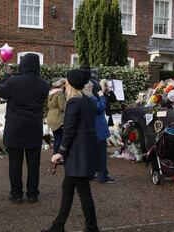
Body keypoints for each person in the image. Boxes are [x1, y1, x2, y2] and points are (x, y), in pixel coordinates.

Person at [43, 69, 101, 232]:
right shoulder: (89, 100)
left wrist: (60, 151)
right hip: (86, 148)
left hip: (77, 152)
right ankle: (58, 225)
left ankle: (92, 227)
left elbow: (69, 130)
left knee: (83, 191)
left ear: (71, 83)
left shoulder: (73, 102)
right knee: (67, 187)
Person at [0, 53, 49, 204]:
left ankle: (16, 194)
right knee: (33, 165)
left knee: (15, 164)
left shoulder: (13, 82)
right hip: (33, 128)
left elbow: (0, 90)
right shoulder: (43, 83)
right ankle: (32, 194)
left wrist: (7, 75)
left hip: (15, 128)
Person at [84, 80, 115, 184]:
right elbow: (101, 107)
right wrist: (101, 96)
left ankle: (90, 174)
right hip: (98, 128)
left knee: (91, 153)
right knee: (101, 154)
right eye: (92, 88)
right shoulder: (91, 98)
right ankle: (102, 176)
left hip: (90, 129)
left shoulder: (82, 97)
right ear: (89, 88)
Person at [46, 77, 66, 154]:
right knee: (59, 138)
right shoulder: (59, 94)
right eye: (63, 84)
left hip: (51, 116)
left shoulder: (51, 93)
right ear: (60, 84)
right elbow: (63, 107)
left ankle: (55, 154)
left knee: (57, 137)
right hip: (58, 118)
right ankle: (57, 156)